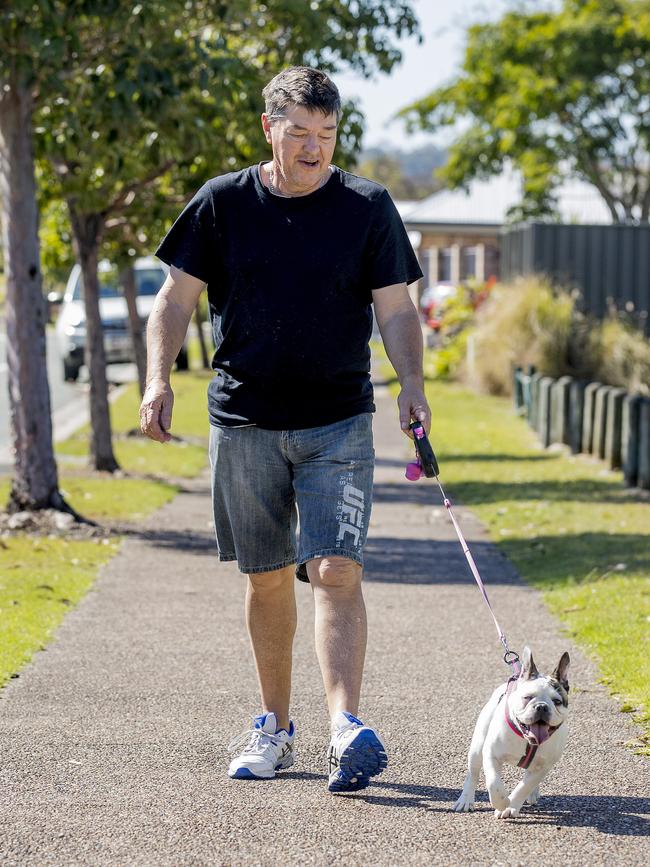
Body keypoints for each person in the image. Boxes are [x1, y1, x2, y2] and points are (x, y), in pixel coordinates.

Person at [140, 66, 431, 793]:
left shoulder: (367, 208)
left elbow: (395, 309)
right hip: (244, 420)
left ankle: (345, 727)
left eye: (327, 135)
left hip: (338, 418)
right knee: (267, 576)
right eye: (299, 132)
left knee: (335, 567)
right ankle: (274, 727)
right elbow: (173, 302)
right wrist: (157, 377)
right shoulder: (221, 203)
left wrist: (413, 384)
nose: (314, 149)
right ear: (268, 128)